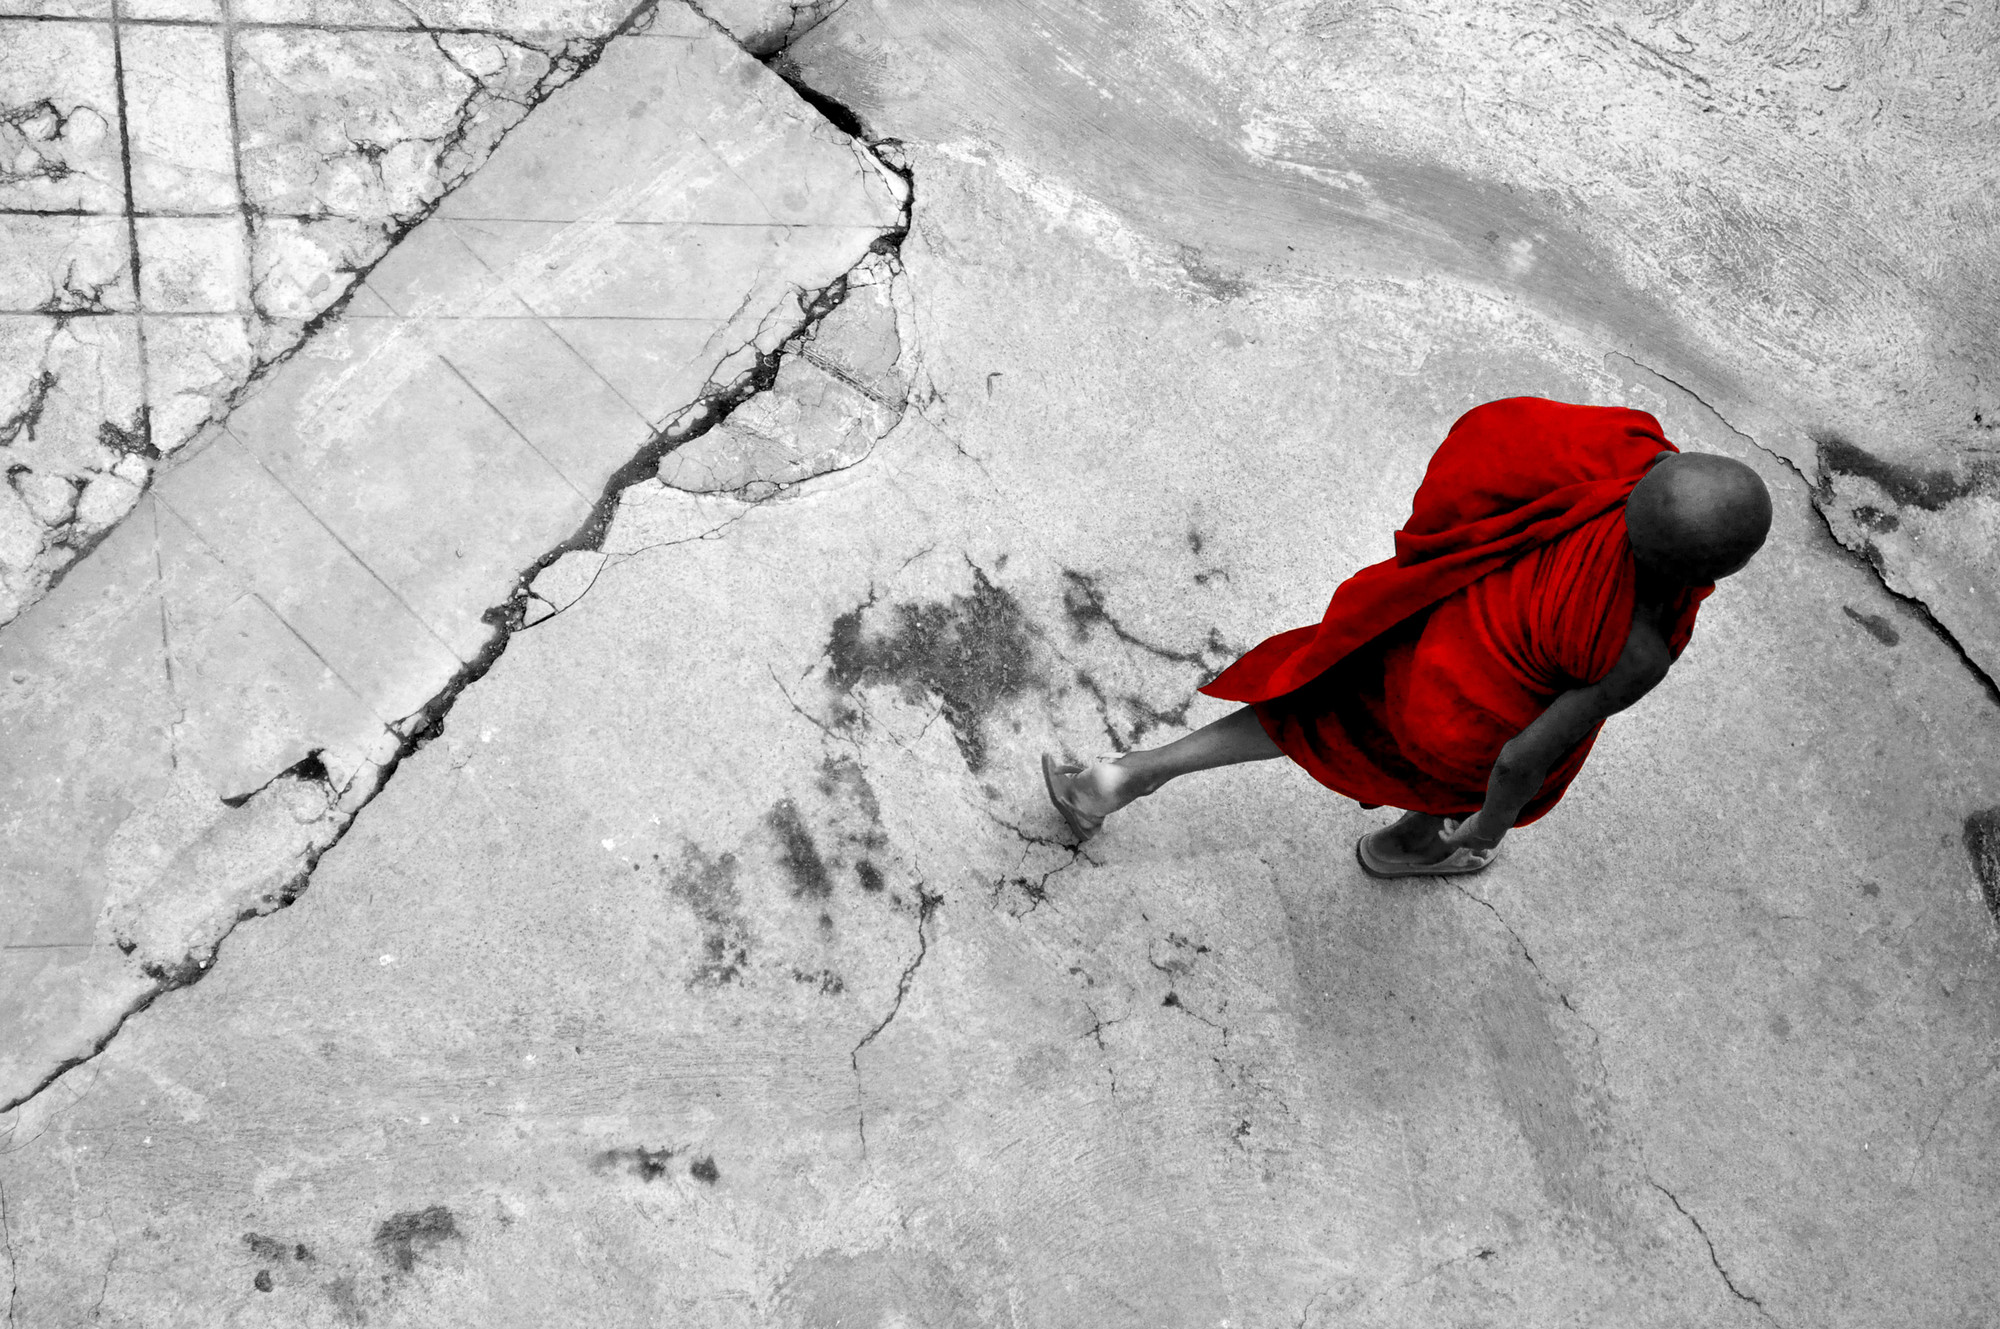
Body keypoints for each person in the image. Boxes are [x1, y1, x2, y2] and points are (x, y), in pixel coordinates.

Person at [1040, 397, 1772, 876]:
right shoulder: (1637, 649)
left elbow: (1495, 439)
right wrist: (1487, 827)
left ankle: (1130, 772)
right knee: (1464, 777)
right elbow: (1521, 759)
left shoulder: (1627, 455)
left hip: (1425, 632)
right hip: (1460, 727)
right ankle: (1410, 844)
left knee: (1308, 709)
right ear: (1719, 572)